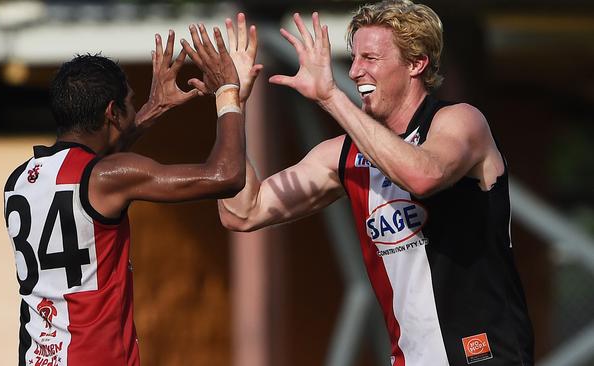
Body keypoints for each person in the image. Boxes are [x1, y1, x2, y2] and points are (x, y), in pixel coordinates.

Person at [218, 2, 534, 365]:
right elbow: (242, 212)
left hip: (485, 355)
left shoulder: (460, 121)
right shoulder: (343, 155)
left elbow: (423, 175)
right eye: (353, 58)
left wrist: (330, 97)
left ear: (417, 64)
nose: (354, 71)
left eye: (370, 58)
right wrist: (231, 105)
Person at [3, 25, 244, 366]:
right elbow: (227, 175)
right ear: (111, 112)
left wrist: (153, 109)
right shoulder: (106, 177)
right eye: (131, 104)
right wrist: (228, 91)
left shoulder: (20, 181)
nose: (136, 110)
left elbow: (94, 171)